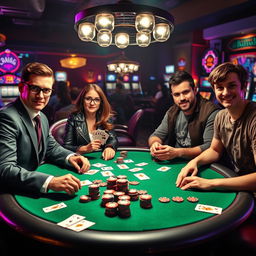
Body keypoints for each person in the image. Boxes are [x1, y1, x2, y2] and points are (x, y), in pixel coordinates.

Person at [0, 62, 90, 195]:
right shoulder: (7, 118)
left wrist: (70, 157)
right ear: (21, 87)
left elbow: (50, 147)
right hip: (11, 193)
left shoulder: (41, 116)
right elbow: (5, 169)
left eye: (46, 90)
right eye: (35, 88)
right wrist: (50, 182)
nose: (41, 96)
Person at [176, 62, 256, 192]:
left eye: (232, 86)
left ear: (244, 86)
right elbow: (215, 150)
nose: (225, 92)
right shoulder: (221, 116)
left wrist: (212, 183)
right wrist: (194, 162)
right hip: (237, 184)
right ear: (214, 90)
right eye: (219, 87)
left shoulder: (253, 119)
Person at [148, 70, 220, 161]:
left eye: (185, 92)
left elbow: (209, 147)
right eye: (177, 94)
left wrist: (177, 152)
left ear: (195, 90)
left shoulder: (211, 112)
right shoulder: (172, 112)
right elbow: (155, 136)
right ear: (172, 96)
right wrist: (155, 144)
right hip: (176, 162)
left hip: (201, 164)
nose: (182, 98)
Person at [63, 83, 118, 161]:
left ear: (101, 102)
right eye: (88, 99)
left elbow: (113, 139)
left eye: (96, 99)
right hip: (82, 159)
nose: (92, 103)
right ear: (82, 100)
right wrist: (84, 148)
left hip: (101, 160)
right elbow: (66, 146)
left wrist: (110, 147)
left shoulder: (105, 117)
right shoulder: (74, 118)